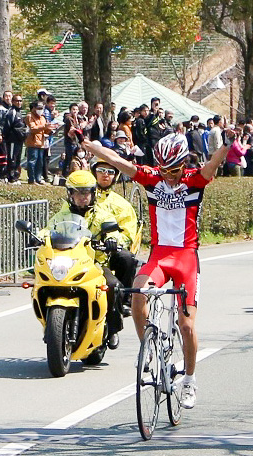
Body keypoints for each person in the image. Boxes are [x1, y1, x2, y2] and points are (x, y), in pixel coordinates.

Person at [82, 124, 235, 410]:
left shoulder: (194, 180)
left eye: (173, 171)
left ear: (183, 164)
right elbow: (118, 162)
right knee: (138, 294)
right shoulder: (151, 179)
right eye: (163, 170)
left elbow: (213, 163)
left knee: (186, 325)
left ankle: (189, 379)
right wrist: (92, 146)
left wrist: (226, 144)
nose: (168, 176)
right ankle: (149, 348)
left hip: (187, 257)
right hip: (159, 256)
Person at [42, 170, 126, 349]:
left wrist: (112, 240)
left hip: (94, 264)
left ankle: (112, 329)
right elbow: (48, 230)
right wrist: (38, 236)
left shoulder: (101, 215)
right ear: (70, 194)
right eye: (78, 192)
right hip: (68, 263)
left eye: (86, 192)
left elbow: (114, 231)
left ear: (93, 193)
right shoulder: (62, 216)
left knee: (112, 285)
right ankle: (50, 325)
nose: (82, 197)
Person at [91, 160, 138, 312]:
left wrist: (113, 242)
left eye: (110, 172)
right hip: (82, 250)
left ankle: (123, 300)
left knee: (127, 258)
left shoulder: (122, 205)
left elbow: (128, 233)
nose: (105, 174)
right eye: (101, 170)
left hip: (108, 252)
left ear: (116, 176)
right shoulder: (80, 198)